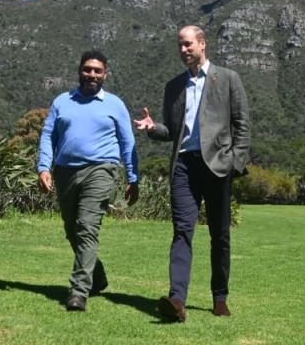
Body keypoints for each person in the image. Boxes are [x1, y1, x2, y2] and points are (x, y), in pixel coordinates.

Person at [134, 25, 250, 322]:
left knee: (219, 235)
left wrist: (235, 162)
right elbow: (172, 132)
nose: (183, 50)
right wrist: (153, 128)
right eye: (179, 46)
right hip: (183, 165)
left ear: (202, 44)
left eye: (187, 45)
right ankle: (177, 300)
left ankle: (220, 297)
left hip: (217, 166)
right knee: (182, 232)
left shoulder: (227, 79)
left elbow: (242, 124)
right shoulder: (173, 86)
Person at [38, 50, 140, 312]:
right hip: (65, 171)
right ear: (79, 71)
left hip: (101, 170)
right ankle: (98, 276)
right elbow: (48, 135)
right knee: (72, 229)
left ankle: (78, 291)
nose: (92, 75)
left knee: (87, 226)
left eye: (97, 70)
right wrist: (43, 167)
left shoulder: (115, 104)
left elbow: (128, 143)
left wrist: (132, 176)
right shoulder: (62, 101)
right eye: (87, 69)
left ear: (105, 74)